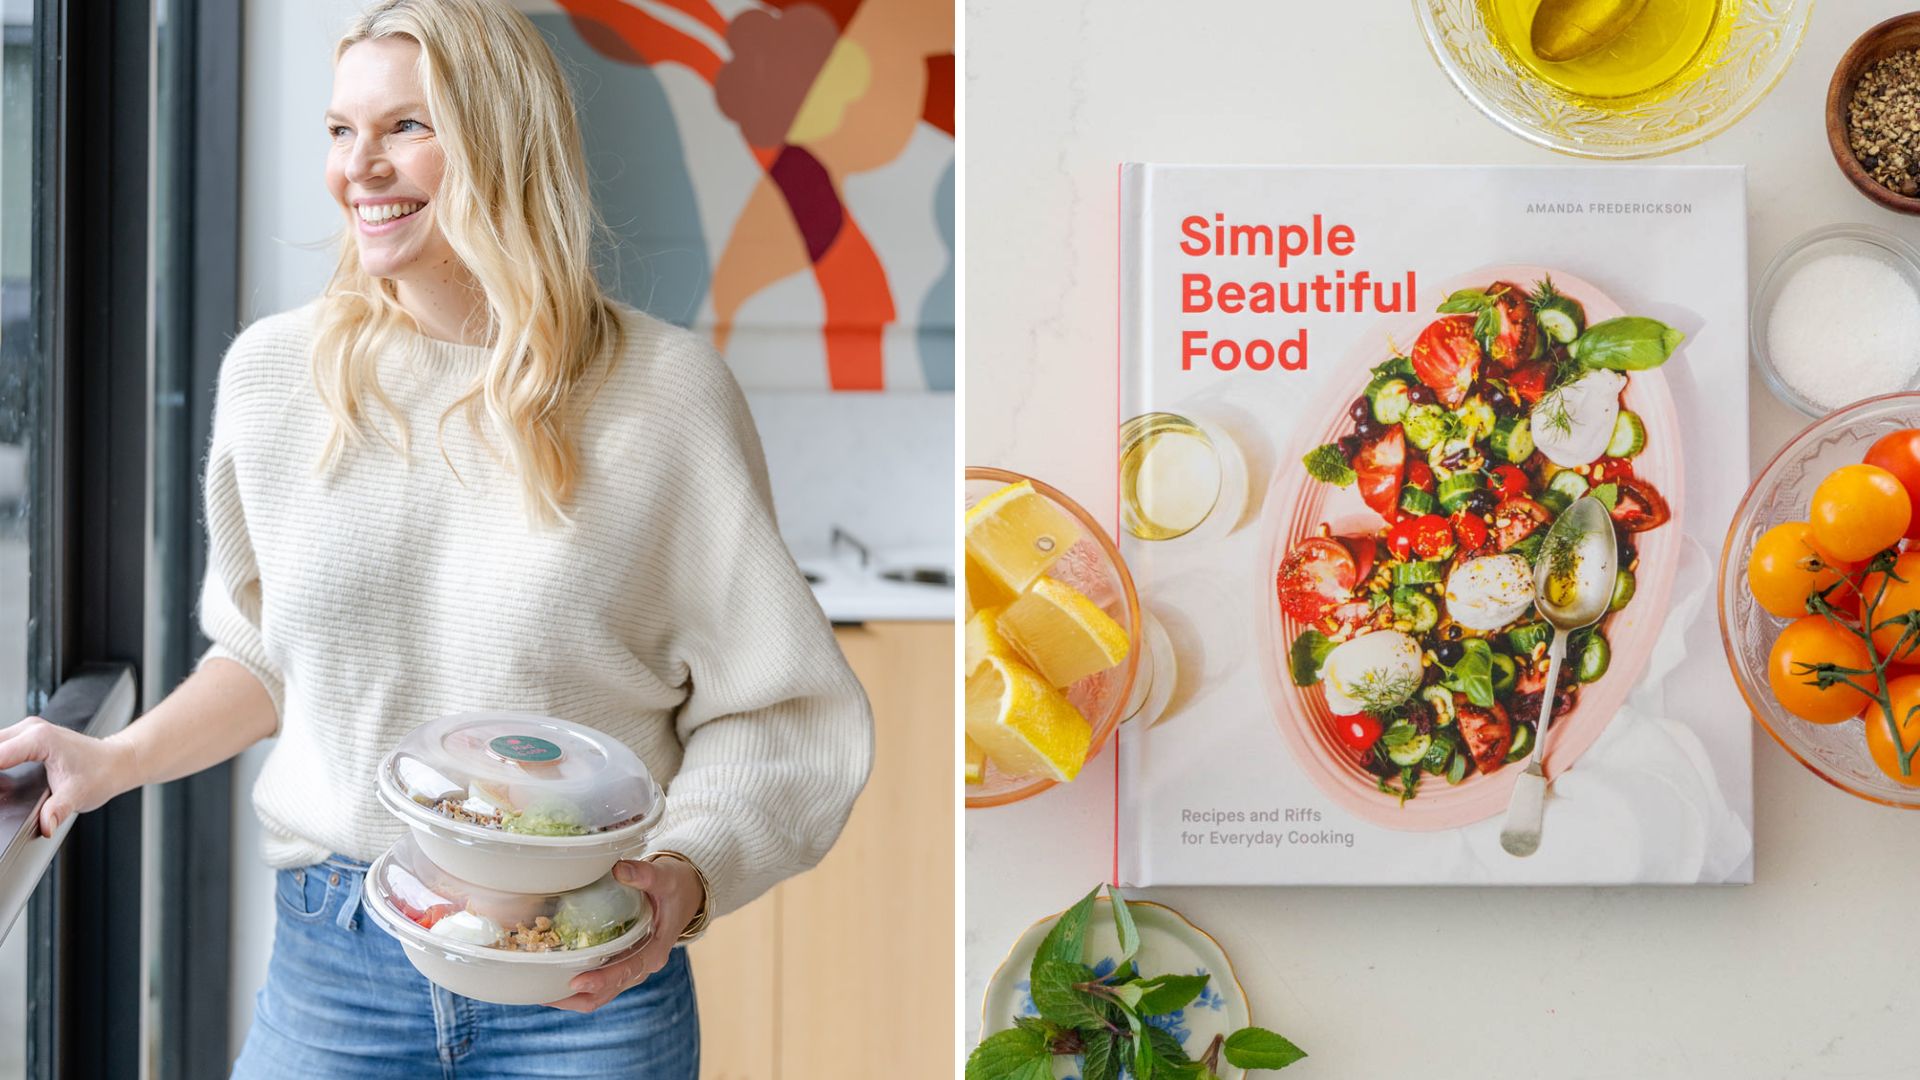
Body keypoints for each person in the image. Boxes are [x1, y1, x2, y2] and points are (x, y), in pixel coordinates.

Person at [0, 0, 872, 1075]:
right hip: (335, 972)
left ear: (505, 142)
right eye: (338, 130)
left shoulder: (664, 398)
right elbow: (272, 660)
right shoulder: (275, 381)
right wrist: (113, 758)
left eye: (405, 127)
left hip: (583, 984)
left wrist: (688, 875)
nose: (357, 167)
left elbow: (780, 714)